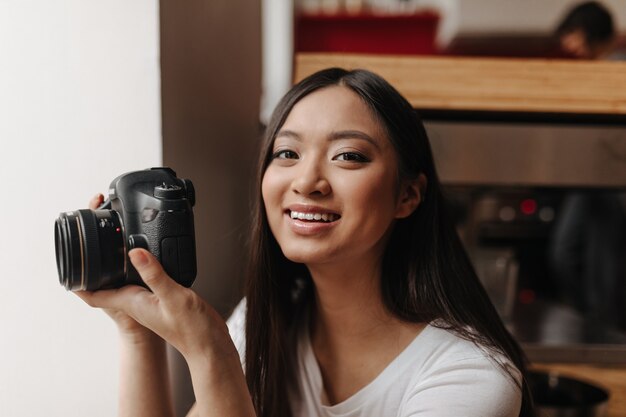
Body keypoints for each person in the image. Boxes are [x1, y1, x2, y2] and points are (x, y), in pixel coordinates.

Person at [78, 68, 534, 416]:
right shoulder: (263, 321)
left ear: (407, 195)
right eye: (287, 153)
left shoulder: (469, 376)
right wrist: (137, 333)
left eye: (348, 156)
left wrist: (211, 350)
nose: (307, 181)